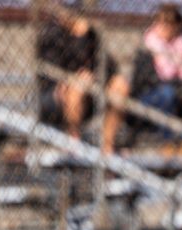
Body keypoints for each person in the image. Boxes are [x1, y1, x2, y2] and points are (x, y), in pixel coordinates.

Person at [35, 8, 130, 154]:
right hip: (53, 94)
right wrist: (72, 78)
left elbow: (109, 68)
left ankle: (107, 145)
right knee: (78, 83)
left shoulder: (90, 35)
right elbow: (48, 73)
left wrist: (85, 36)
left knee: (120, 85)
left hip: (88, 93)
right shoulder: (52, 33)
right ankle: (73, 140)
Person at [130, 4, 182, 144]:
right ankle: (167, 141)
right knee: (167, 93)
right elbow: (146, 81)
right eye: (161, 22)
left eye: (169, 23)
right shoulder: (148, 46)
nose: (164, 27)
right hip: (148, 95)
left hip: (176, 91)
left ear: (177, 26)